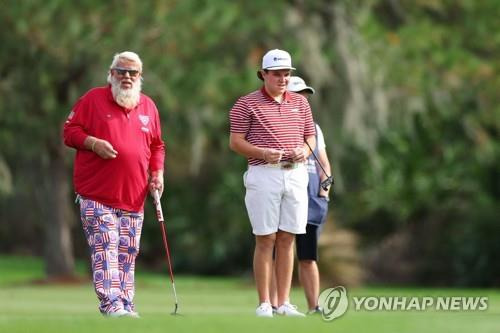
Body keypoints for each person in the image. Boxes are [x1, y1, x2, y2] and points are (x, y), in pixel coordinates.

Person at [63, 51, 165, 318]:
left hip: (134, 196)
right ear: (111, 73)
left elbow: (156, 145)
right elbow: (70, 132)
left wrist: (157, 172)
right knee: (105, 247)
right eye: (122, 71)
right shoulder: (93, 99)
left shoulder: (148, 106)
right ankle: (111, 305)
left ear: (141, 76)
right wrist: (93, 143)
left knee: (127, 253)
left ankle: (125, 304)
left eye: (133, 72)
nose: (127, 77)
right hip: (96, 194)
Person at [229, 49, 316, 317]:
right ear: (263, 74)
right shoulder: (246, 104)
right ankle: (264, 302)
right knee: (266, 238)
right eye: (277, 74)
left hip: (295, 173)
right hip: (264, 173)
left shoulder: (301, 104)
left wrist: (305, 149)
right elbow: (235, 142)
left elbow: (310, 137)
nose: (282, 78)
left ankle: (284, 302)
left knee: (288, 237)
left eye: (286, 74)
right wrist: (262, 153)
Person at [287, 76, 332, 314]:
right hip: (286, 195)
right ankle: (276, 304)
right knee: (279, 252)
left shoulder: (315, 129)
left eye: (306, 97)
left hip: (312, 201)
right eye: (299, 96)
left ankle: (314, 306)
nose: (304, 101)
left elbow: (325, 164)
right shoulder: (279, 125)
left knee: (307, 257)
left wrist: (324, 191)